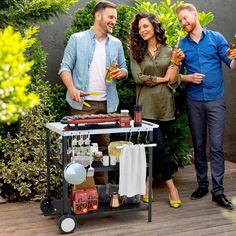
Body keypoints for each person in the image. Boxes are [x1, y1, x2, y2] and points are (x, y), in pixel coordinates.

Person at [58, 0, 128, 184]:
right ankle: (82, 193)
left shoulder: (116, 43)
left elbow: (124, 68)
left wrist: (121, 73)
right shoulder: (77, 39)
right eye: (111, 17)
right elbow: (64, 68)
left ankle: (102, 193)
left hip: (107, 105)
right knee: (81, 151)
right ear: (98, 15)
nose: (114, 21)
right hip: (82, 105)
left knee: (103, 151)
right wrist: (72, 89)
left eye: (115, 18)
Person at [176, 3, 236, 210]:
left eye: (186, 18)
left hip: (216, 100)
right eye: (181, 20)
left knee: (216, 147)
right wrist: (188, 77)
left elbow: (231, 64)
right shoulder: (181, 45)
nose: (184, 23)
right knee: (199, 146)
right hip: (194, 101)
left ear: (195, 15)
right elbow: (175, 76)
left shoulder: (217, 38)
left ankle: (217, 192)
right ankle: (202, 185)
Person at [129, 12, 184, 208]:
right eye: (139, 28)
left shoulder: (170, 50)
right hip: (145, 106)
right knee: (158, 146)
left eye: (146, 26)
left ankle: (147, 184)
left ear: (154, 27)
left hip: (164, 105)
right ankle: (172, 189)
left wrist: (176, 62)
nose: (142, 30)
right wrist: (160, 79)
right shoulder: (135, 51)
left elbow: (174, 80)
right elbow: (138, 77)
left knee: (154, 147)